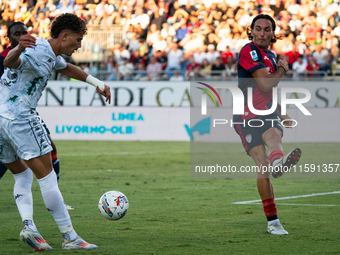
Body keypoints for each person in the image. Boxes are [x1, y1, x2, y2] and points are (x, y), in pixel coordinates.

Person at [0, 13, 111, 251]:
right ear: (64, 36)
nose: (80, 44)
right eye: (78, 39)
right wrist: (18, 49)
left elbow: (65, 67)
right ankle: (69, 237)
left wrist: (97, 83)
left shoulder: (48, 51)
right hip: (19, 119)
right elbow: (9, 62)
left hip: (0, 119)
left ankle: (30, 227)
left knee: (22, 175)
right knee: (48, 177)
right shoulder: (36, 51)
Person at [234, 14, 302, 235]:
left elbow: (270, 90)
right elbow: (264, 84)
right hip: (246, 115)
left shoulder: (271, 55)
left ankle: (279, 162)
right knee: (262, 165)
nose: (262, 33)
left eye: (267, 29)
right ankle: (273, 222)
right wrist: (282, 69)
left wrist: (282, 114)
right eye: (258, 29)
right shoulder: (249, 51)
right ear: (251, 31)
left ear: (273, 33)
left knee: (274, 137)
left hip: (268, 112)